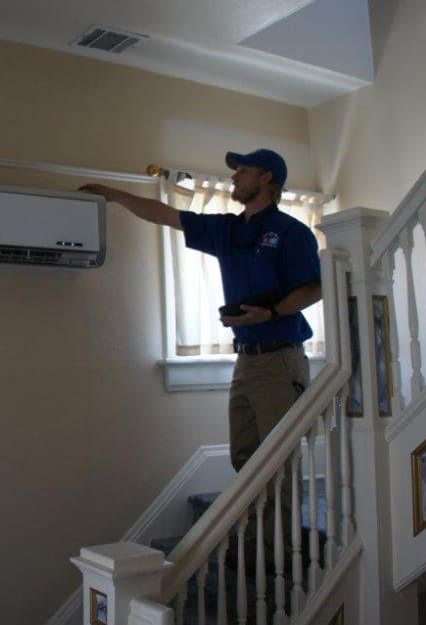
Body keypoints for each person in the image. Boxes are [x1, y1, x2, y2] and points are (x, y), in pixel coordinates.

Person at [81, 149, 321, 561]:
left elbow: (314, 287)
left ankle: (278, 553)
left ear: (266, 178)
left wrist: (271, 313)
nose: (235, 177)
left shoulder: (291, 231)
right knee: (245, 456)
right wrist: (114, 195)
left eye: (242, 170)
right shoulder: (227, 229)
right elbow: (166, 215)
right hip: (247, 359)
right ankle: (258, 540)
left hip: (281, 359)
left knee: (277, 460)